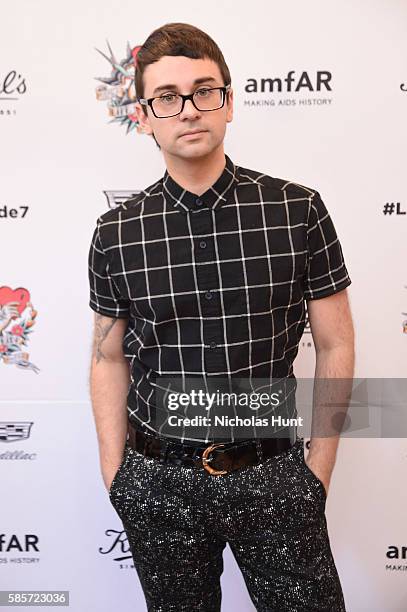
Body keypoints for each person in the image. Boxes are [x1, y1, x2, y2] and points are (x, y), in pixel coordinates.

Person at [88, 21, 354, 612]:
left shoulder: (297, 209)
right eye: (167, 97)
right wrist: (117, 475)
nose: (188, 109)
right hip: (158, 483)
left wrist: (316, 474)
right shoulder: (116, 233)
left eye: (205, 90)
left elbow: (336, 345)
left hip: (276, 477)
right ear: (146, 114)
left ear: (229, 102)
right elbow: (107, 357)